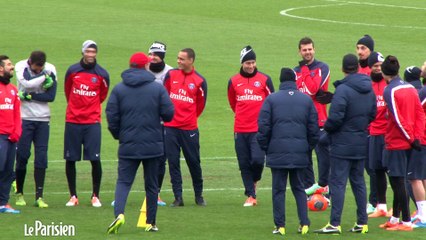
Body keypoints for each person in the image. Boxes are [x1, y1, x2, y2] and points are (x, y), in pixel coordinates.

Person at [106, 52, 174, 234]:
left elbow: (111, 116)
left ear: (130, 66)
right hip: (153, 145)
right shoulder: (157, 89)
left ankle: (119, 214)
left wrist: (120, 135)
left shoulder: (119, 89)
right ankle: (150, 222)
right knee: (151, 185)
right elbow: (169, 113)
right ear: (146, 66)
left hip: (128, 144)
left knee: (123, 182)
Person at [315, 54, 376, 234]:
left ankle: (335, 223)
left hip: (342, 143)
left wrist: (327, 128)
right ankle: (362, 223)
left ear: (343, 69)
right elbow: (372, 114)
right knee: (358, 182)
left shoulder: (343, 90)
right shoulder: (369, 88)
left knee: (338, 183)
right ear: (357, 67)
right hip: (360, 141)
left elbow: (335, 118)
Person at [257, 68, 319, 236]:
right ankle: (304, 223)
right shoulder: (306, 100)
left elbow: (263, 127)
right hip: (300, 152)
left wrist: (266, 147)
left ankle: (280, 226)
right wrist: (307, 148)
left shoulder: (271, 99)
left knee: (278, 189)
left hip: (277, 152)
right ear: (295, 80)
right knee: (299, 188)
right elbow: (314, 129)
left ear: (280, 80)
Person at [379, 55, 424, 231]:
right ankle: (395, 218)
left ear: (384, 72)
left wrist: (411, 137)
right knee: (399, 180)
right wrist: (417, 137)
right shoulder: (411, 88)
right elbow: (420, 113)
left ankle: (405, 222)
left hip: (397, 142)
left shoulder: (389, 90)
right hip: (412, 141)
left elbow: (398, 119)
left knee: (397, 182)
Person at [64, 40, 110, 207]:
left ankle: (95, 196)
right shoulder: (72, 71)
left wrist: (90, 108)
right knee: (71, 159)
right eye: (88, 51)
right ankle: (73, 196)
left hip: (92, 122)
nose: (91, 55)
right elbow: (68, 91)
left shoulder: (102, 74)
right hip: (73, 121)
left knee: (94, 159)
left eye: (93, 52)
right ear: (83, 52)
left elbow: (102, 95)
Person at [227, 45, 274, 207]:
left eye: (253, 62)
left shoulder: (264, 79)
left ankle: (254, 181)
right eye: (247, 62)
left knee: (257, 160)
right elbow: (233, 103)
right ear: (242, 63)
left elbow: (271, 102)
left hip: (258, 129)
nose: (251, 66)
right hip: (240, 129)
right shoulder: (233, 81)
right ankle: (251, 195)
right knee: (244, 163)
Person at [163, 48, 207, 207]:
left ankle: (199, 195)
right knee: (173, 163)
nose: (178, 61)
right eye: (178, 58)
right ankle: (178, 197)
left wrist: (188, 118)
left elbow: (200, 106)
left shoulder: (199, 81)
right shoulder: (171, 75)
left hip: (189, 129)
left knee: (194, 162)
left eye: (182, 59)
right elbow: (165, 96)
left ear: (191, 60)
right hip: (171, 127)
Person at [13, 51, 57, 208]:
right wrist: (44, 78)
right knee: (22, 155)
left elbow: (51, 96)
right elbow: (26, 84)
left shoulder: (50, 68)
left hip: (43, 120)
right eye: (36, 68)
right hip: (24, 119)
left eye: (41, 68)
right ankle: (19, 193)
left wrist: (30, 97)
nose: (39, 70)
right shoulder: (20, 66)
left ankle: (39, 196)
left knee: (41, 157)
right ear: (30, 62)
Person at [293, 37, 330, 196]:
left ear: (314, 49)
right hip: (302, 122)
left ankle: (326, 190)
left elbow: (311, 89)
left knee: (324, 159)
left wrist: (305, 70)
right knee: (304, 158)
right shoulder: (295, 71)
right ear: (299, 51)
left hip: (319, 121)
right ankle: (310, 191)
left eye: (310, 49)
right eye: (304, 50)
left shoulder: (322, 67)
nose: (307, 52)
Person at [365, 52, 392, 218]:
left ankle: (398, 208)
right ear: (370, 67)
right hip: (374, 133)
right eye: (375, 66)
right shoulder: (367, 84)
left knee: (394, 173)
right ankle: (381, 206)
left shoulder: (389, 83)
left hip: (389, 134)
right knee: (377, 170)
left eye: (380, 66)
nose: (378, 69)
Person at [147, 41, 173, 206]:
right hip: (145, 121)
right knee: (137, 156)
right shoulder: (142, 70)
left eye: (157, 55)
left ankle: (156, 193)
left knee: (160, 159)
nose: (154, 57)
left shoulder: (170, 72)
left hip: (162, 122)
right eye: (152, 54)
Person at [356, 34, 378, 214]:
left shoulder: (375, 71)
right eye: (358, 48)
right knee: (366, 165)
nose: (360, 51)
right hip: (361, 126)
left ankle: (375, 201)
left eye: (363, 48)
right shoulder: (356, 68)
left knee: (373, 167)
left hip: (375, 127)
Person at [404, 65, 426, 228]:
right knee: (422, 176)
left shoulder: (424, 91)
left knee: (414, 177)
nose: (422, 66)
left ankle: (423, 217)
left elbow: (414, 108)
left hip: (421, 137)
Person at [0, 55, 21, 214]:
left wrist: (16, 132)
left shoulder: (13, 90)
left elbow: (16, 113)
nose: (12, 66)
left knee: (8, 171)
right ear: (1, 69)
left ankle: (3, 203)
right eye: (8, 64)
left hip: (11, 137)